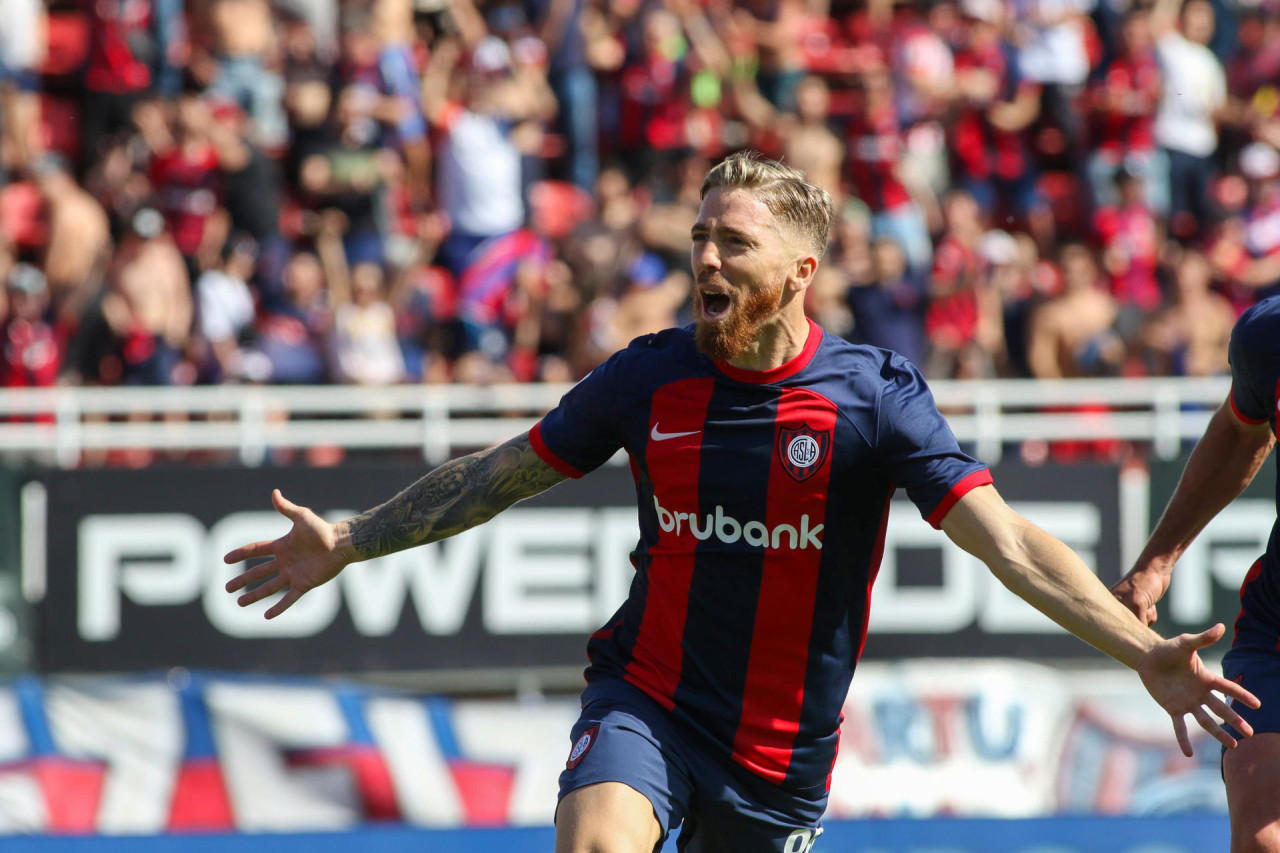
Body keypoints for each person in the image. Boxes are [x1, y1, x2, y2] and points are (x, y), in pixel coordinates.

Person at [225, 152, 1257, 853]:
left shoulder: (871, 398)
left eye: (733, 244)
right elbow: (501, 474)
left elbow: (1010, 546)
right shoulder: (648, 377)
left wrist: (1136, 648)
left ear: (799, 272)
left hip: (779, 752)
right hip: (647, 701)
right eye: (699, 238)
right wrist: (353, 538)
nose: (705, 260)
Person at [1113, 294, 1280, 852]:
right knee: (1263, 838)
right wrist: (1156, 561)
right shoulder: (1268, 336)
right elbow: (1240, 431)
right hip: (1277, 624)